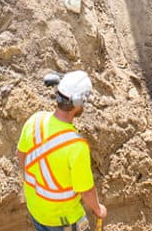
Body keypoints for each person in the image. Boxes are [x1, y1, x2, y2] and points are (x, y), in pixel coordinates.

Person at [17, 70, 107, 231]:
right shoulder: (76, 146)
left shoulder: (35, 121)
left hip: (35, 209)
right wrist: (98, 209)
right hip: (63, 220)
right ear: (78, 104)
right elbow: (86, 192)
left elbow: (21, 155)